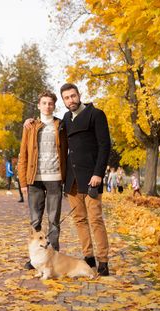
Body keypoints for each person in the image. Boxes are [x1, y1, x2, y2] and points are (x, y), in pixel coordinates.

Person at [60, 83, 111, 276]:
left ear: (79, 95)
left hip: (92, 178)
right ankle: (88, 257)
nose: (70, 100)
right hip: (72, 180)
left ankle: (103, 260)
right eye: (66, 98)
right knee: (79, 220)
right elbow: (53, 124)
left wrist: (99, 173)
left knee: (96, 220)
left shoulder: (96, 114)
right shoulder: (66, 118)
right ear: (63, 101)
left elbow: (105, 145)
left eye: (73, 96)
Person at [18, 90, 67, 269]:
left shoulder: (61, 125)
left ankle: (53, 256)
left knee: (54, 220)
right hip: (35, 179)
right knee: (35, 221)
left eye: (50, 103)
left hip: (54, 177)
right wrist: (23, 182)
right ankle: (35, 258)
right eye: (44, 103)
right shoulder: (30, 126)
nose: (47, 106)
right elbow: (23, 154)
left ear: (54, 106)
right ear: (39, 105)